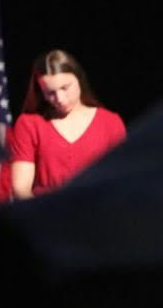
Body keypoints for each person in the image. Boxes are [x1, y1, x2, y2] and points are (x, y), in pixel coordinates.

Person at [7, 49, 126, 199]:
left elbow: (122, 180)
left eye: (65, 87)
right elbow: (21, 189)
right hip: (47, 214)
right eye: (50, 92)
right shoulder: (30, 123)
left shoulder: (110, 122)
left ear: (79, 79)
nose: (60, 99)